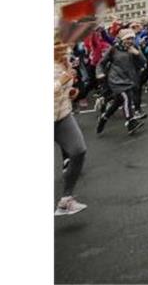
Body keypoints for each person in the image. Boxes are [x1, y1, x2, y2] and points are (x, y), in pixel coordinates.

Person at [55, 33, 88, 215]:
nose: (62, 47)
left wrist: (70, 92)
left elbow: (62, 88)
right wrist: (61, 83)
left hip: (61, 115)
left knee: (78, 151)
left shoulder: (64, 61)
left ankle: (66, 199)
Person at [96, 28, 147, 135]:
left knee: (117, 102)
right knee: (127, 97)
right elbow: (101, 63)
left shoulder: (135, 48)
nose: (130, 41)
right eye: (128, 38)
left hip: (130, 79)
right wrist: (100, 73)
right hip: (116, 79)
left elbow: (143, 63)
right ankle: (130, 121)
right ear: (122, 39)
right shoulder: (114, 49)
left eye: (132, 38)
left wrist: (137, 53)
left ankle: (104, 117)